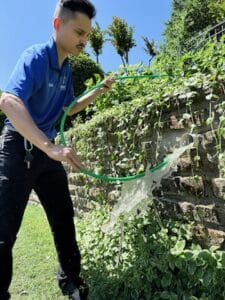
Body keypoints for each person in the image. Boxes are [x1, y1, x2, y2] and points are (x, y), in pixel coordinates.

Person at [0, 0, 114, 299]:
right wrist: (50, 146)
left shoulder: (66, 70)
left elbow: (68, 110)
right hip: (18, 149)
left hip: (47, 153)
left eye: (87, 35)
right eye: (79, 32)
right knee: (4, 228)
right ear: (57, 25)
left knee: (64, 219)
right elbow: (9, 102)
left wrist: (97, 93)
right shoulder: (36, 57)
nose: (84, 41)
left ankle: (72, 283)